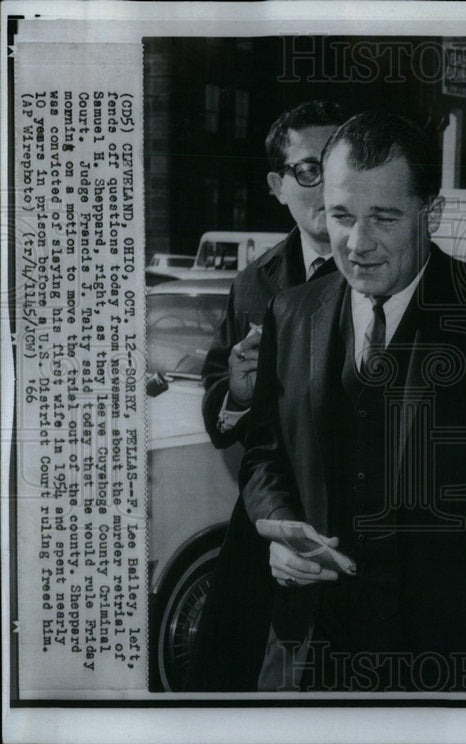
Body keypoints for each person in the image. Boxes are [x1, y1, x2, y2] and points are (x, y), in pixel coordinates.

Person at [240, 112, 466, 692]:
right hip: (317, 654)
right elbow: (265, 452)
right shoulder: (291, 312)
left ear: (430, 214)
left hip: (459, 664)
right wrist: (283, 529)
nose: (357, 244)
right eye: (341, 216)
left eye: (383, 218)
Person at [186, 100, 345, 691]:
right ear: (278, 186)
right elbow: (220, 412)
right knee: (234, 678)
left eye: (337, 162)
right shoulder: (255, 282)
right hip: (265, 517)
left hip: (359, 519)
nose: (327, 183)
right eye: (309, 170)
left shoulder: (380, 267)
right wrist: (238, 392)